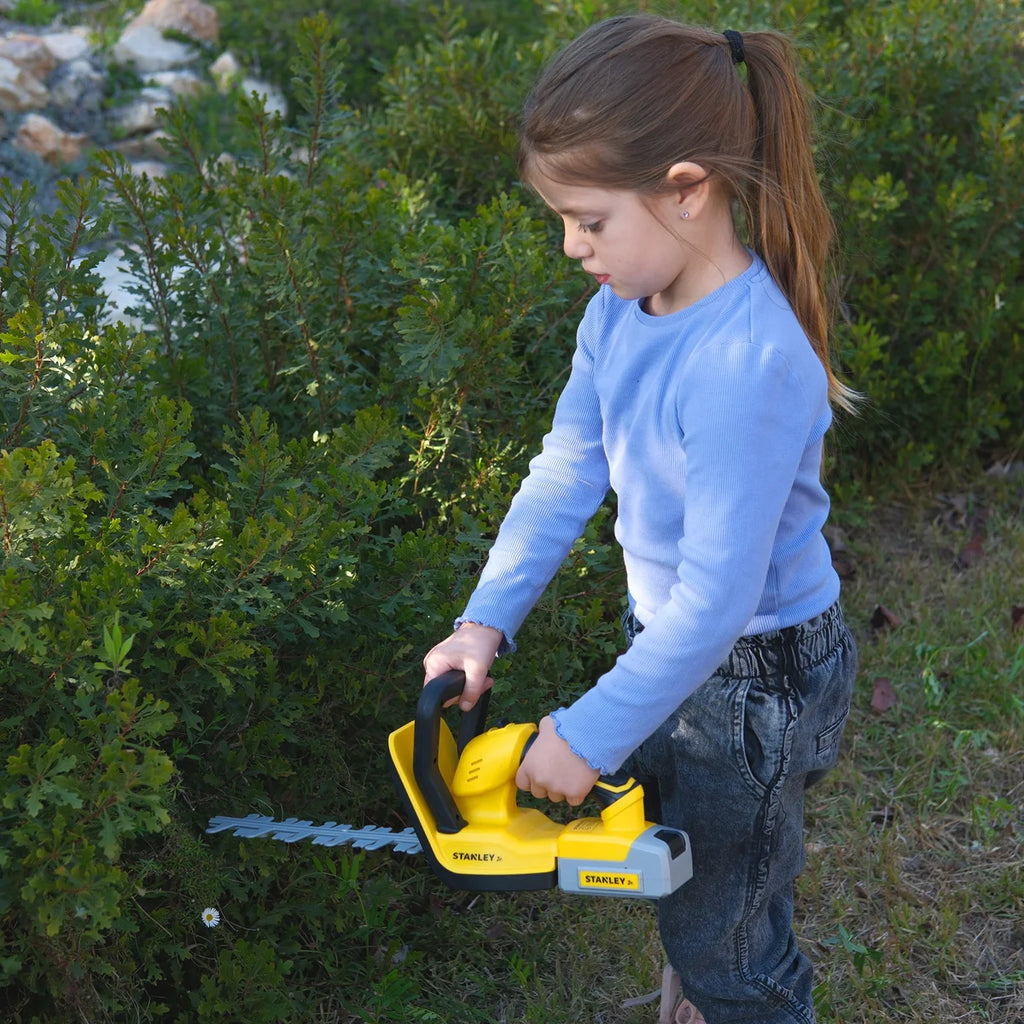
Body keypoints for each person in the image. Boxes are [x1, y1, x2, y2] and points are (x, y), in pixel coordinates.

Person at [422, 14, 859, 1024]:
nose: (572, 248)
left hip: (755, 679)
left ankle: (728, 996)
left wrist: (585, 734)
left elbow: (717, 606)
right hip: (671, 652)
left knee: (728, 940)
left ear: (685, 189)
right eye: (562, 223)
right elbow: (566, 470)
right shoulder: (619, 309)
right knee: (707, 875)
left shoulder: (743, 365)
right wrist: (486, 619)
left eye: (588, 220)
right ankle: (697, 991)